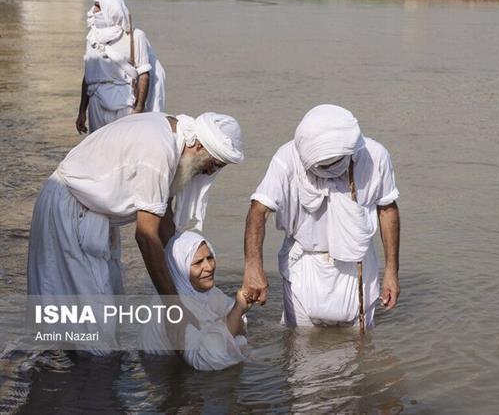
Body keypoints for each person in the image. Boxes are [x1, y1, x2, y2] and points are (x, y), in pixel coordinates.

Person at [27, 111, 244, 350]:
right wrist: (174, 307)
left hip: (93, 214)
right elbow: (146, 235)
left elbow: (164, 221)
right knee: (96, 332)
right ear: (198, 145)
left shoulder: (174, 136)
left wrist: (188, 282)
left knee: (106, 312)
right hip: (71, 211)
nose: (210, 173)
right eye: (212, 164)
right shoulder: (159, 152)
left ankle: (66, 377)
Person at [242, 104, 400, 328]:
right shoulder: (287, 158)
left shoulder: (375, 157)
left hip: (358, 264)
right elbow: (258, 209)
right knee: (298, 344)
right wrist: (252, 266)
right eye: (321, 166)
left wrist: (391, 272)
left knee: (359, 344)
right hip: (303, 263)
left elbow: (387, 210)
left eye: (333, 164)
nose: (327, 171)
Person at [141, 231, 252, 370]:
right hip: (166, 374)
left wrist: (237, 311)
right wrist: (239, 309)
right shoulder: (173, 307)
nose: (209, 267)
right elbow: (210, 358)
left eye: (210, 258)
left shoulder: (206, 292)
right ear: (180, 268)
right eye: (198, 262)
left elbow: (234, 317)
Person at [75, 0, 162, 134]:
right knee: (99, 149)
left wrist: (139, 109)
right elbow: (88, 77)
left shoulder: (135, 36)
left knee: (124, 149)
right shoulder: (92, 37)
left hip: (125, 103)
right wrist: (82, 111)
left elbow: (144, 75)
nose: (93, 10)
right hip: (96, 102)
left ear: (111, 10)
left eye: (98, 6)